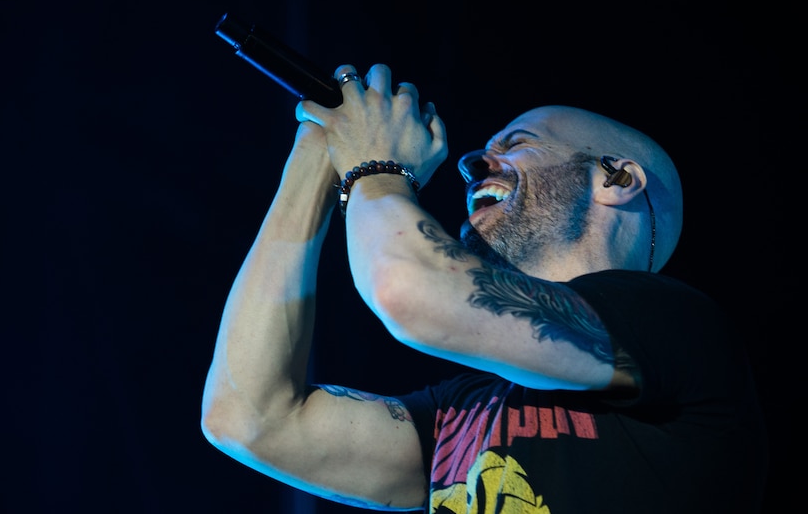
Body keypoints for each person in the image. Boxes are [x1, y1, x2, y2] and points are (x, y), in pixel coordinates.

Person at [200, 63, 768, 513]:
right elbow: (249, 419)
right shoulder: (461, 412)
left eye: (517, 143)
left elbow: (411, 292)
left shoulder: (679, 328)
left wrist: (376, 165)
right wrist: (317, 156)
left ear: (615, 179)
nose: (478, 166)